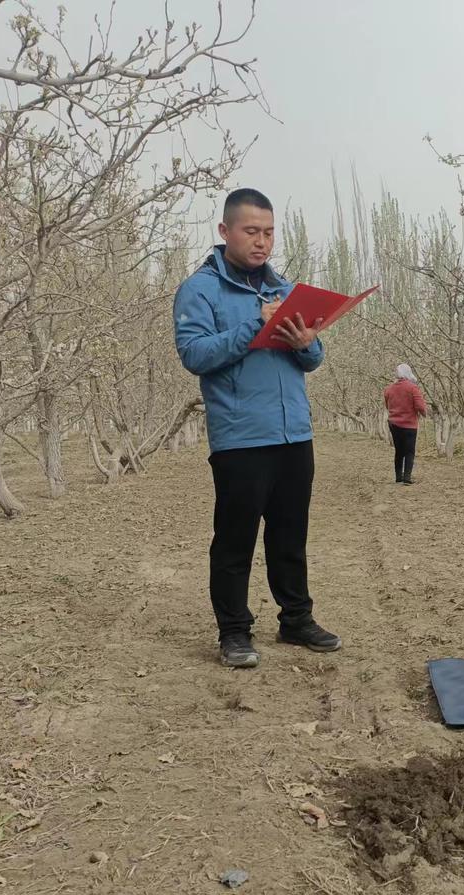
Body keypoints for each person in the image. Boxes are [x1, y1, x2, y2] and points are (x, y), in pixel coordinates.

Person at [173, 188, 342, 669]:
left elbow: (312, 360)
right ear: (225, 231)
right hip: (241, 437)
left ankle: (296, 619)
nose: (261, 241)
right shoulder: (200, 290)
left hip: (294, 433)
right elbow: (194, 355)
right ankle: (233, 632)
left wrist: (307, 341)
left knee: (290, 534)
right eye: (251, 231)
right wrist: (253, 326)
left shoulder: (284, 288)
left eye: (268, 232)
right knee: (235, 539)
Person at [383, 363, 428, 484]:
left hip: (394, 424)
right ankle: (407, 478)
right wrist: (424, 413)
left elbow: (387, 405)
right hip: (409, 425)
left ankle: (398, 477)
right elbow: (420, 405)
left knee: (399, 451)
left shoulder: (388, 389)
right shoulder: (413, 388)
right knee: (409, 451)